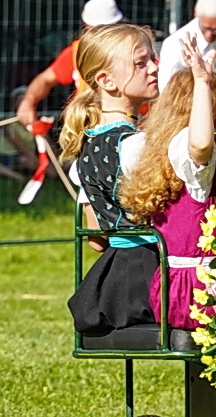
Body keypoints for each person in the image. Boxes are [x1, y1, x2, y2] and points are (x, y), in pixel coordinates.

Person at [60, 23, 163, 334]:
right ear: (106, 81)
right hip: (156, 278)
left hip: (114, 281)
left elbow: (95, 241)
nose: (154, 68)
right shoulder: (136, 147)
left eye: (153, 59)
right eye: (140, 63)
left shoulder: (84, 149)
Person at [120, 37, 216, 332]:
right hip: (201, 293)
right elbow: (201, 144)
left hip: (171, 289)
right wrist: (204, 83)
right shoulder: (188, 158)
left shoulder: (147, 149)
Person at [16, 0, 124, 129]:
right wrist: (28, 102)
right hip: (88, 127)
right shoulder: (76, 52)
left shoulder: (136, 50)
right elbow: (45, 79)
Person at [158, 0, 216, 90]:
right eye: (205, 28)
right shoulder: (175, 43)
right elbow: (165, 87)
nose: (209, 35)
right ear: (196, 13)